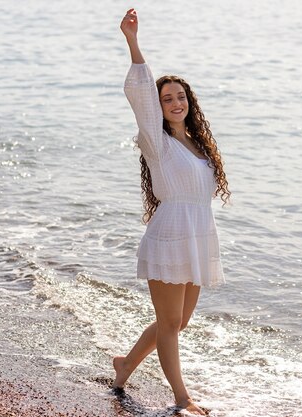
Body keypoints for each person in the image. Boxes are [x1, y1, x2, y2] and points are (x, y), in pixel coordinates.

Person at [112, 8, 231, 416]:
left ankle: (125, 365)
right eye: (167, 99)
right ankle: (182, 398)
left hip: (197, 235)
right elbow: (142, 95)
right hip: (169, 235)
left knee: (177, 323)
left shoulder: (199, 146)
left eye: (180, 96)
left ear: (189, 102)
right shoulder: (155, 141)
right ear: (158, 107)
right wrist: (133, 43)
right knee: (168, 324)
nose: (174, 102)